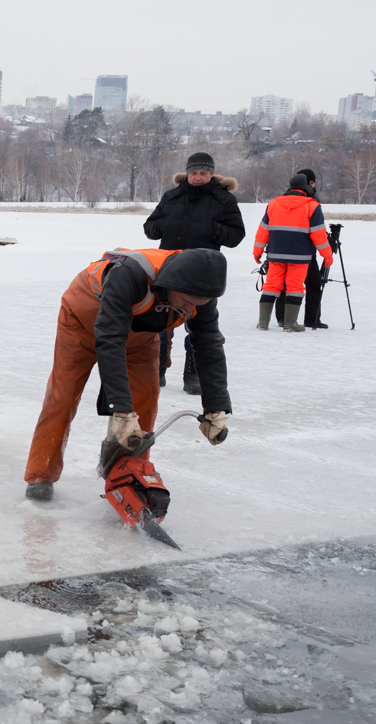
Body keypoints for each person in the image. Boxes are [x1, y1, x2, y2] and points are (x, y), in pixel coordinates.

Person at [24, 248, 231, 501]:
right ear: (171, 284)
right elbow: (110, 339)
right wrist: (119, 408)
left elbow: (209, 346)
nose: (191, 308)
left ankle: (129, 475)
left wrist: (215, 407)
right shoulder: (128, 275)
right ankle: (40, 474)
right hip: (82, 323)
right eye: (187, 301)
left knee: (145, 398)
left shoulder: (200, 297)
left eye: (198, 304)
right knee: (63, 394)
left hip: (140, 338)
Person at [142, 151, 243, 395]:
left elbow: (236, 236)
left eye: (204, 173)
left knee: (198, 324)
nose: (198, 177)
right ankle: (158, 368)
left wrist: (211, 228)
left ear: (212, 174)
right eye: (194, 173)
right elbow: (150, 228)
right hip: (168, 268)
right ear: (187, 173)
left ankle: (193, 373)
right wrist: (165, 225)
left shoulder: (224, 200)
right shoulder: (172, 196)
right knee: (161, 322)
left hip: (202, 271)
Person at [253, 173, 332, 333]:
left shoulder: (274, 204)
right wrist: (327, 255)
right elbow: (319, 235)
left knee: (271, 285)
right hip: (300, 256)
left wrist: (257, 251)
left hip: (275, 254)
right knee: (295, 286)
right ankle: (290, 324)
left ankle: (263, 323)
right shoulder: (312, 206)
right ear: (306, 188)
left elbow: (263, 231)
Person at [277, 168, 330, 330]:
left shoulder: (306, 200)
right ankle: (291, 318)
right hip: (302, 251)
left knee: (310, 283)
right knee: (291, 285)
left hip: (301, 250)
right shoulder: (309, 202)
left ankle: (306, 318)